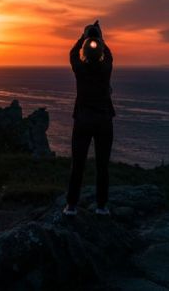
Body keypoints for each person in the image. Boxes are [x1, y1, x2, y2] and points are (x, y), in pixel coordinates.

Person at [63, 20, 115, 216]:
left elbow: (72, 54)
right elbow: (109, 56)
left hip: (83, 120)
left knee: (78, 165)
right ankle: (101, 206)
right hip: (104, 121)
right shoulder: (106, 69)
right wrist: (100, 37)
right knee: (103, 165)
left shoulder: (80, 69)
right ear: (100, 50)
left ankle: (71, 206)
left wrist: (83, 37)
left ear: (84, 50)